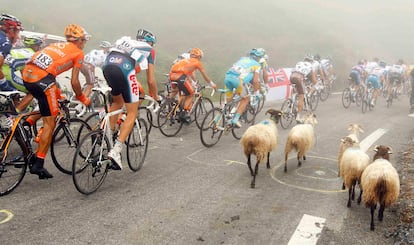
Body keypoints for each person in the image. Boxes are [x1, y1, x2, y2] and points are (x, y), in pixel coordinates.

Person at [22, 24, 91, 179]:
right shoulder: (78, 53)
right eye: (84, 40)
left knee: (49, 102)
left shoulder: (55, 45)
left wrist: (58, 94)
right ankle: (39, 164)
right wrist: (82, 98)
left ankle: (27, 123)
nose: (84, 43)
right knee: (50, 122)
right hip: (43, 79)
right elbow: (74, 82)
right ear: (79, 41)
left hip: (27, 74)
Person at [103, 35, 153, 170]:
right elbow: (151, 80)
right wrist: (156, 98)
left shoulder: (127, 40)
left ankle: (106, 137)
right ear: (150, 43)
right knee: (132, 112)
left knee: (117, 102)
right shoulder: (149, 49)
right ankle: (116, 151)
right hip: (124, 67)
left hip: (107, 64)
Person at [168, 47, 216, 122]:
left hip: (171, 76)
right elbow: (204, 75)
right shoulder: (197, 63)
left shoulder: (185, 60)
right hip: (180, 77)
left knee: (179, 91)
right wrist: (212, 84)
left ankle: (171, 106)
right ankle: (184, 113)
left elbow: (188, 74)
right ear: (199, 57)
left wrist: (193, 83)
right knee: (191, 93)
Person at [1, 35, 43, 112]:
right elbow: (32, 75)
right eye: (39, 46)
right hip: (7, 72)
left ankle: (10, 109)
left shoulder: (21, 51)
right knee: (33, 91)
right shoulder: (34, 55)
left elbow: (23, 72)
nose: (40, 48)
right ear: (35, 46)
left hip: (3, 69)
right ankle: (15, 113)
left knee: (15, 92)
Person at [223, 48, 264, 128]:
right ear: (257, 58)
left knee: (228, 102)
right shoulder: (257, 65)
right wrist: (257, 93)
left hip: (227, 77)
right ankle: (235, 120)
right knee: (246, 99)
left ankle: (222, 115)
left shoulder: (242, 59)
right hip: (238, 81)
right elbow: (256, 81)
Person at [135, 28, 162, 103]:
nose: (152, 46)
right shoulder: (149, 50)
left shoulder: (130, 44)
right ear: (148, 42)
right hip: (124, 73)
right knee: (141, 94)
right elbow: (151, 80)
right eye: (152, 43)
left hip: (108, 69)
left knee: (117, 104)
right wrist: (156, 96)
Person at [0, 13, 23, 92]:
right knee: (13, 94)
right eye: (18, 32)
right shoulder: (5, 42)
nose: (18, 36)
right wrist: (5, 86)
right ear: (11, 30)